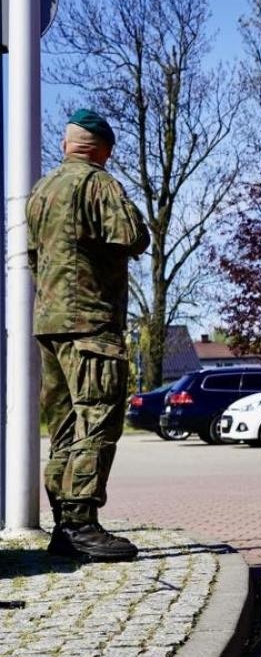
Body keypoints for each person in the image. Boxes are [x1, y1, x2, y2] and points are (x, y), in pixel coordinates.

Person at [27, 108, 151, 561]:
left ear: (66, 145)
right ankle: (81, 523)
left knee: (63, 425)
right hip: (90, 323)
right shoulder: (98, 184)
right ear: (103, 150)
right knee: (97, 418)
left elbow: (32, 255)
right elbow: (134, 235)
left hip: (50, 323)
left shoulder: (40, 192)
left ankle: (64, 522)